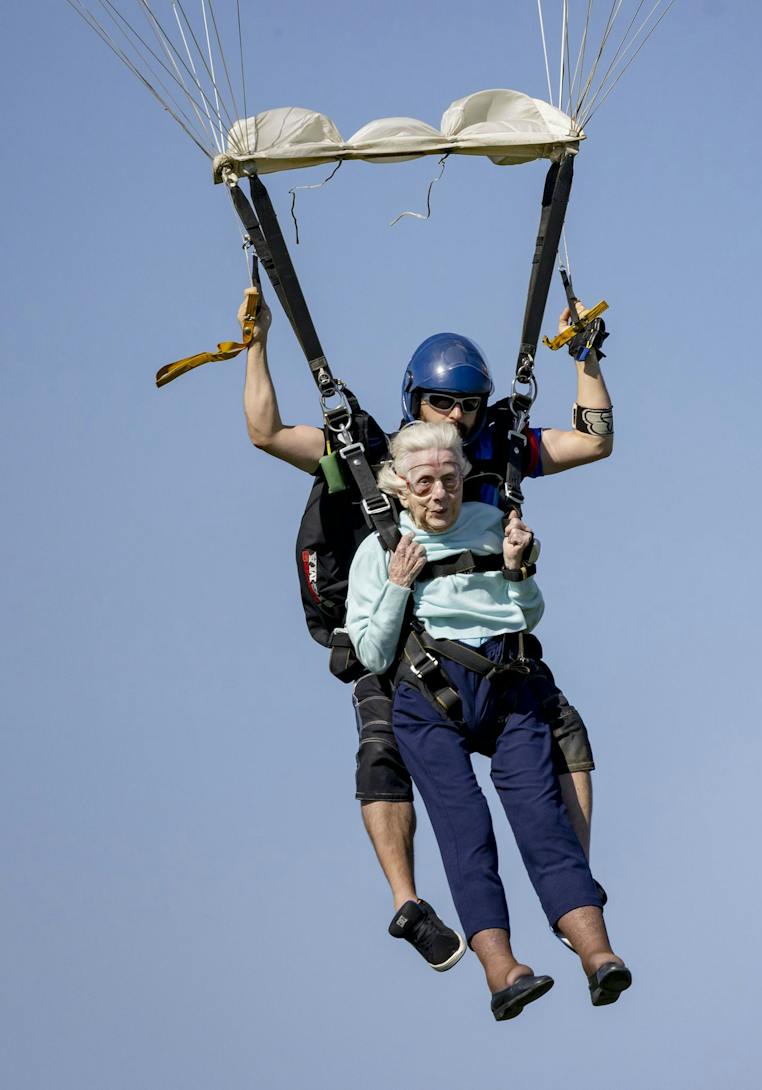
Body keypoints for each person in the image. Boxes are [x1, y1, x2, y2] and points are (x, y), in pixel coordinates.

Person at [242, 297, 615, 970]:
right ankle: (407, 902)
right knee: (382, 749)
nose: (457, 417)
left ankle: (572, 885)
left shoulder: (497, 453)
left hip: (488, 643)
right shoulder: (374, 455)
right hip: (397, 638)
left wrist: (587, 359)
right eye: (443, 403)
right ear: (418, 401)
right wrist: (256, 346)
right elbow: (267, 432)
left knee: (566, 731)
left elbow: (592, 440)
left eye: (469, 405)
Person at [345, 421, 629, 1019]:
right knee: (465, 829)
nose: (439, 495)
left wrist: (518, 568)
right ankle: (503, 972)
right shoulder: (377, 550)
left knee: (542, 818)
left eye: (450, 480)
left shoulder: (493, 526)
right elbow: (370, 656)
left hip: (507, 688)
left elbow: (528, 613)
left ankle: (598, 955)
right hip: (429, 699)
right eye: (425, 483)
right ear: (400, 486)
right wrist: (398, 585)